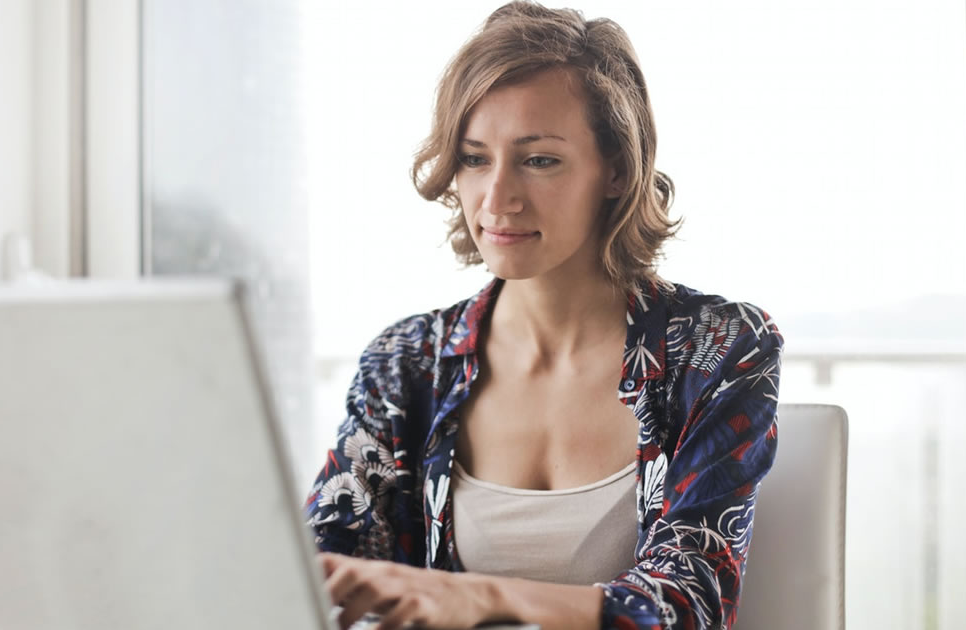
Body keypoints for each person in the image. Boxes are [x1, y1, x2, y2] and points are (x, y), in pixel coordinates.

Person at [304, 2, 783, 629]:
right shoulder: (407, 364)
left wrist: (485, 597)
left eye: (539, 160)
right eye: (475, 158)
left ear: (615, 170)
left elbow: (690, 605)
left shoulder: (717, 349)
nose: (497, 198)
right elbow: (317, 571)